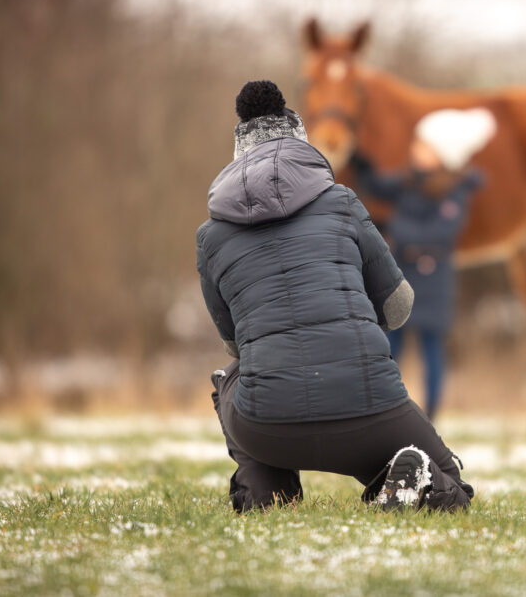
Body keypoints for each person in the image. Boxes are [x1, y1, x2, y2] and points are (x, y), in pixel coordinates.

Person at [196, 80, 473, 513]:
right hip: (370, 411)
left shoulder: (211, 236)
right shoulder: (342, 202)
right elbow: (398, 308)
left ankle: (266, 489)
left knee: (229, 376)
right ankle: (403, 475)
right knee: (450, 483)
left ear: (238, 155)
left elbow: (235, 344)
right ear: (302, 143)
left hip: (267, 423)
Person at [350, 108, 495, 420]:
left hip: (432, 284)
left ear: (443, 155)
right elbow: (377, 186)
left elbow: (440, 234)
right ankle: (385, 406)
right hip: (399, 279)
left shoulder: (454, 192)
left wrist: (393, 230)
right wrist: (359, 161)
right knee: (390, 348)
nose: (415, 150)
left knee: (431, 351)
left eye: (424, 146)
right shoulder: (408, 181)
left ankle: (431, 413)